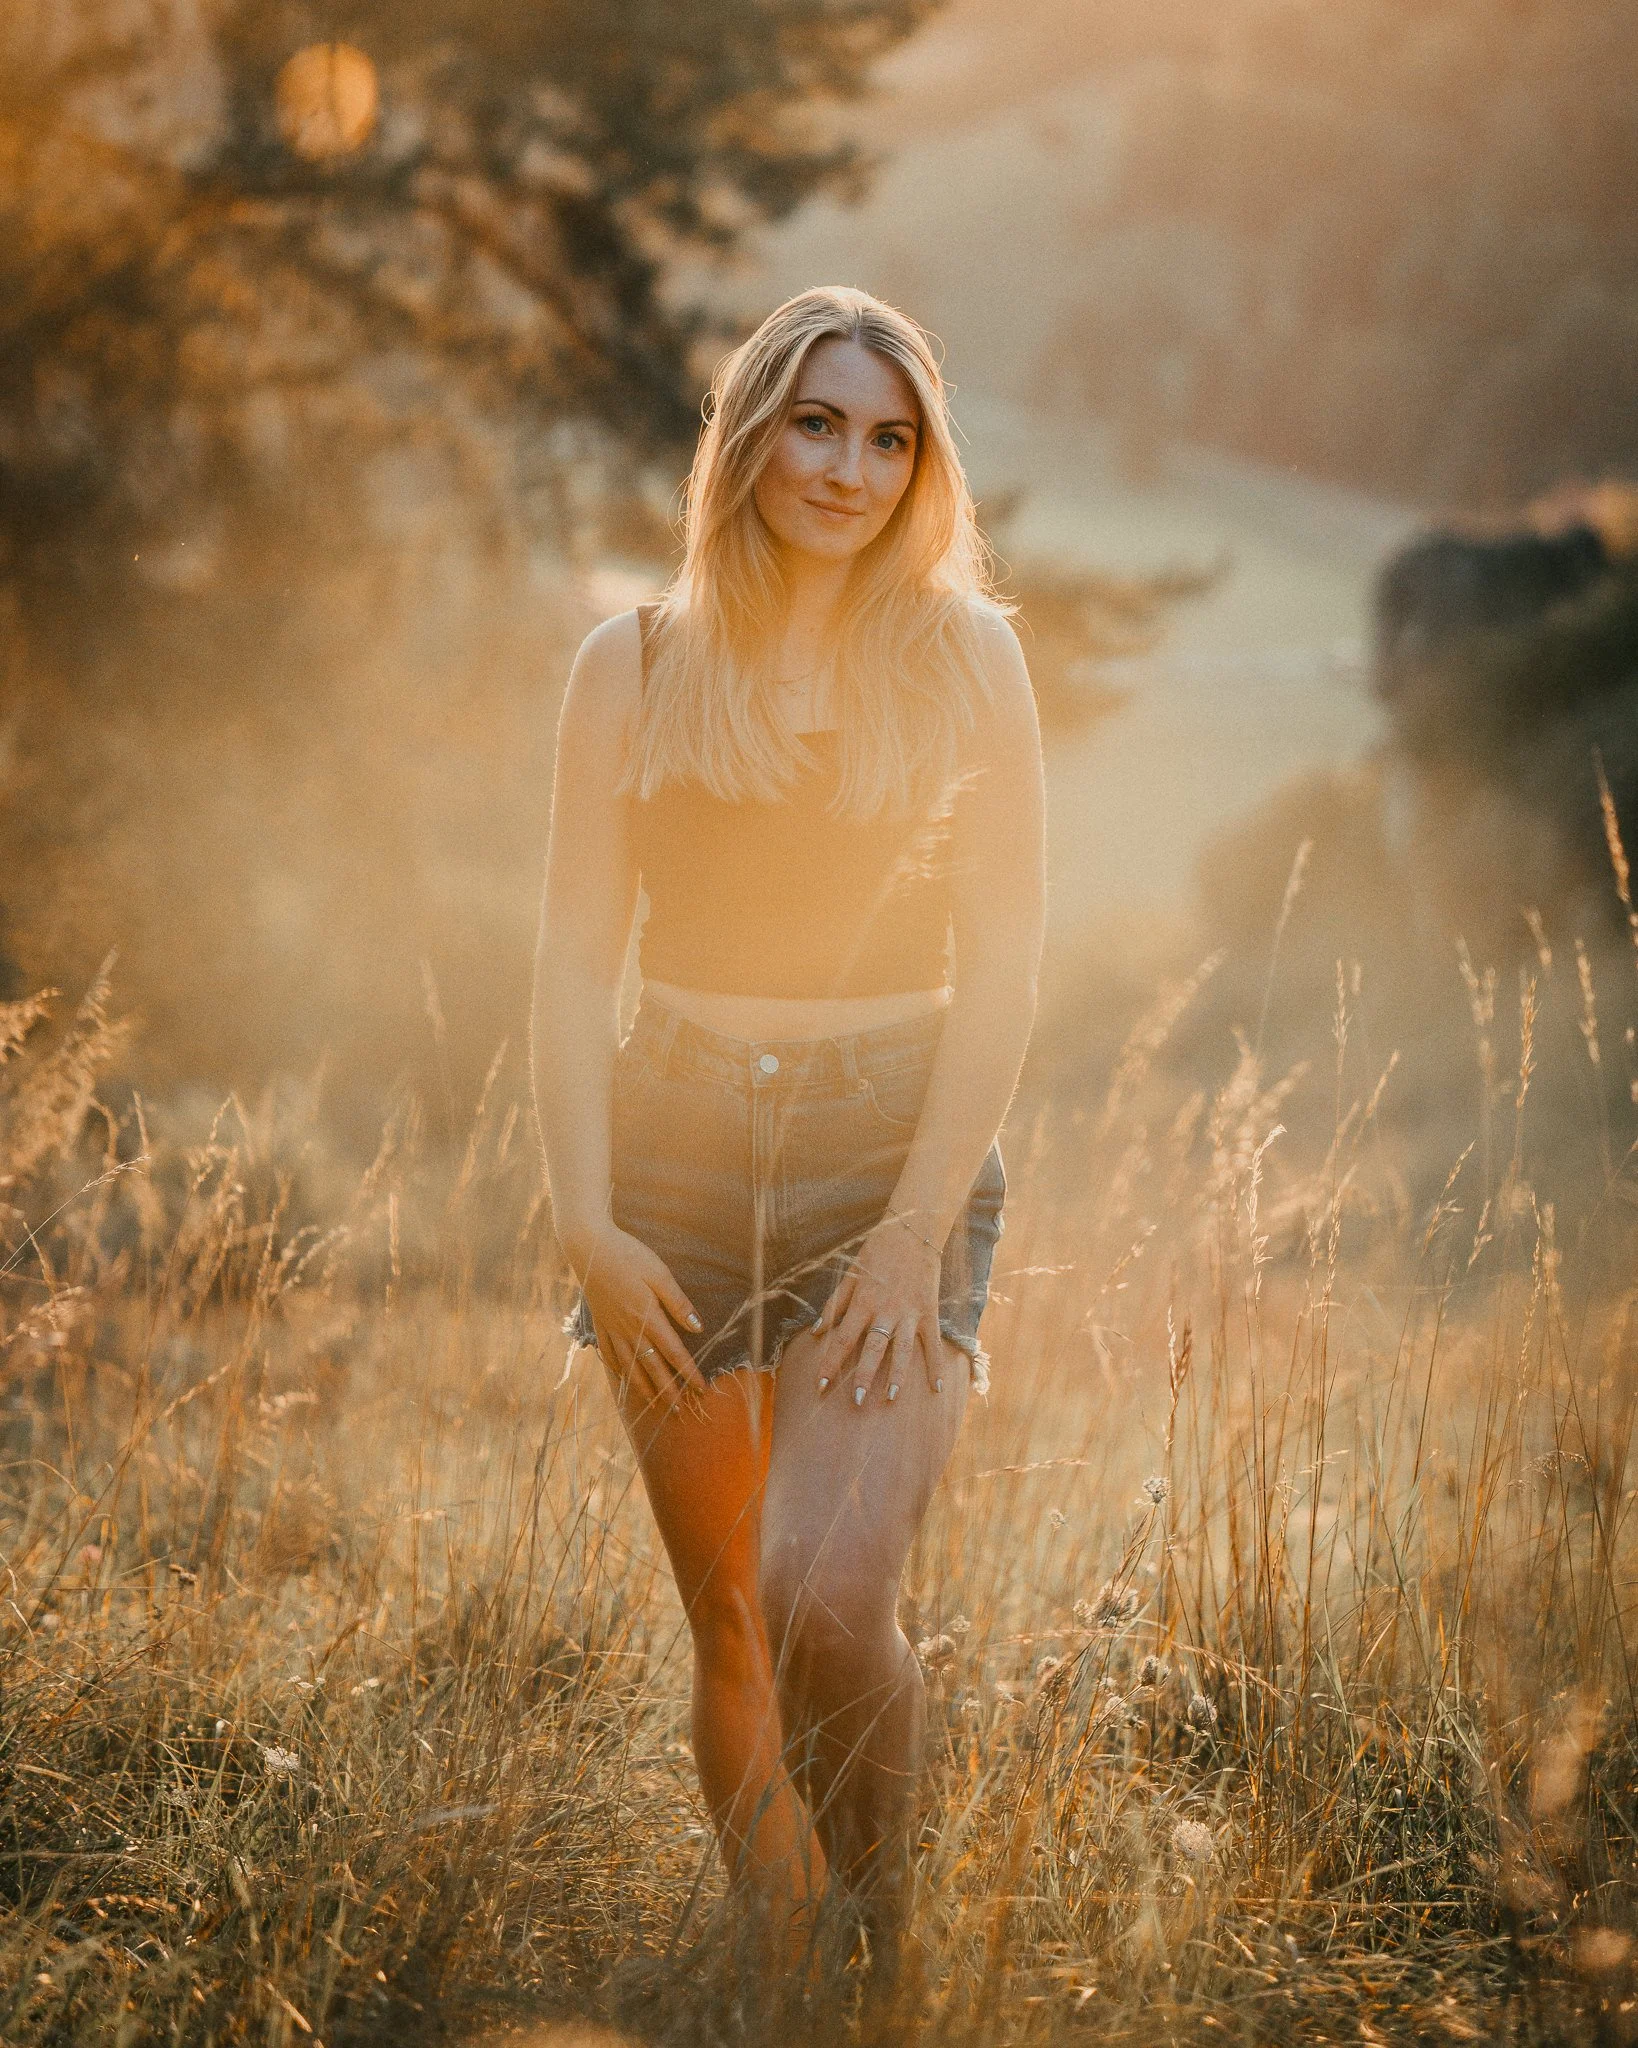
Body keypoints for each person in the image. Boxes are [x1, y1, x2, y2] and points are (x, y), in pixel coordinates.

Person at [531, 286, 1045, 1969]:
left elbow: (1003, 975)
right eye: (817, 423)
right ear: (752, 431)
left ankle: (887, 1948)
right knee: (734, 1625)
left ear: (923, 465)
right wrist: (586, 1225)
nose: (848, 467)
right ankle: (790, 1960)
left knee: (827, 1599)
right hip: (665, 1152)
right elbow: (566, 958)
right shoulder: (637, 660)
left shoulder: (965, 656)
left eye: (888, 438)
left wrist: (908, 1232)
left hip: (882, 1146)